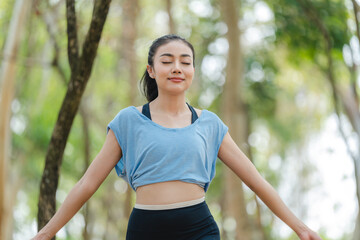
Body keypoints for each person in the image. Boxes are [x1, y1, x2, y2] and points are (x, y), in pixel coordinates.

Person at [32, 34, 322, 240]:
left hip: (198, 228)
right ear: (151, 69)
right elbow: (87, 184)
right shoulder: (128, 121)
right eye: (167, 61)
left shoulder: (210, 124)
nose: (177, 68)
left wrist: (300, 228)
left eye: (185, 62)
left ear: (193, 70)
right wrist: (46, 233)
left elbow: (256, 180)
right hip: (145, 228)